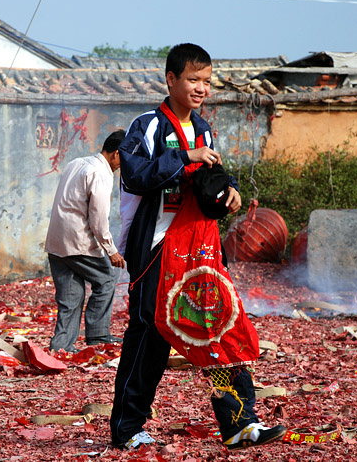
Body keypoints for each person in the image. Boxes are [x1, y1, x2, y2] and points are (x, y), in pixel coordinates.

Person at [110, 44, 285, 451]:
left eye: (206, 81)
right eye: (193, 79)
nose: (201, 88)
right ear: (170, 80)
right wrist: (184, 156)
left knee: (217, 330)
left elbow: (215, 174)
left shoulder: (204, 129)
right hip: (155, 248)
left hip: (200, 251)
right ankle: (127, 429)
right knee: (149, 337)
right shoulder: (148, 126)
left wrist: (232, 192)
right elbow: (133, 174)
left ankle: (241, 423)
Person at [45, 130, 126, 353]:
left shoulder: (77, 162)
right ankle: (98, 336)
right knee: (107, 279)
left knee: (71, 296)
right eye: (126, 159)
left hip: (57, 241)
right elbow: (98, 220)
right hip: (78, 241)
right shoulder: (100, 173)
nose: (124, 165)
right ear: (117, 154)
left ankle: (61, 346)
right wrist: (111, 251)